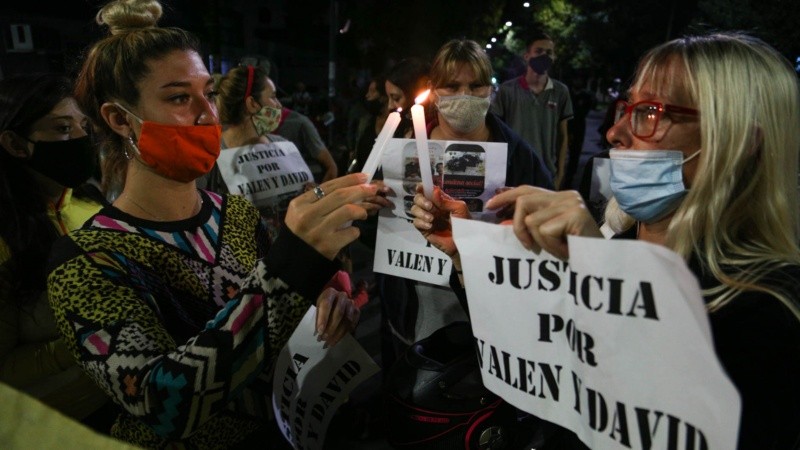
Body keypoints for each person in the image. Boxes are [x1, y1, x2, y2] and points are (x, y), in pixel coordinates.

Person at [413, 32, 800, 449]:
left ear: (738, 143)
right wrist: (468, 255)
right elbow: (528, 343)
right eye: (627, 108)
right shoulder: (617, 233)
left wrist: (601, 270)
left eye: (650, 112)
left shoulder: (770, 306)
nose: (614, 132)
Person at [47, 0, 378, 448]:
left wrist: (322, 302)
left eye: (209, 93)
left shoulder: (235, 214)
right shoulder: (86, 260)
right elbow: (164, 401)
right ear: (120, 119)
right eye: (179, 98)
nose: (209, 115)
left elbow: (275, 310)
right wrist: (292, 264)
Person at [0, 73, 114, 431]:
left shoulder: (91, 203)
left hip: (118, 401)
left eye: (84, 126)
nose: (82, 138)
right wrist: (82, 342)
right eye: (63, 129)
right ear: (15, 144)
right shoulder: (6, 240)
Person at [201, 64, 312, 240]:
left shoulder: (284, 145)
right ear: (252, 104)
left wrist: (314, 194)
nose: (279, 105)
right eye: (273, 97)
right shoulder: (212, 155)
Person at [491, 31, 574, 189]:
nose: (544, 56)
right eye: (539, 51)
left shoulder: (561, 91)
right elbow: (495, 131)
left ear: (554, 57)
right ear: (527, 56)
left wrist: (560, 173)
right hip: (513, 172)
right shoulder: (507, 90)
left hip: (547, 173)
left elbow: (563, 136)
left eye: (549, 52)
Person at [274, 101, 339, 183]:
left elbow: (331, 168)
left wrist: (318, 191)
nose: (278, 103)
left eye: (274, 97)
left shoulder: (298, 123)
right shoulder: (261, 131)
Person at [384, 57, 431, 138]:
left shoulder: (433, 129)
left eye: (396, 98)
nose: (390, 106)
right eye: (388, 98)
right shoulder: (401, 127)